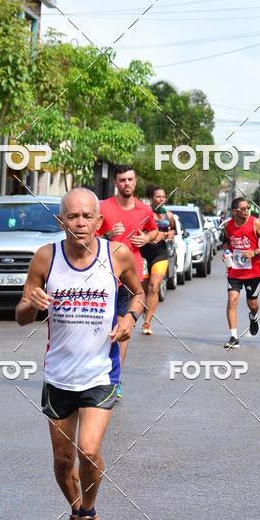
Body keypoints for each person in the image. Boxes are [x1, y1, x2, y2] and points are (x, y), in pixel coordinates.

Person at [16, 188, 143, 520]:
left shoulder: (116, 255)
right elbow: (21, 315)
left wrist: (130, 317)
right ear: (61, 221)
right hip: (58, 376)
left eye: (88, 216)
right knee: (61, 460)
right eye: (73, 216)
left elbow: (140, 293)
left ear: (99, 221)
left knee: (88, 450)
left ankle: (89, 515)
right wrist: (32, 305)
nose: (81, 223)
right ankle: (76, 511)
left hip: (100, 372)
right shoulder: (45, 258)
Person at [96, 166, 158, 392]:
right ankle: (97, 372)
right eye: (122, 180)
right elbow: (87, 238)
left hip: (131, 276)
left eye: (130, 179)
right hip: (105, 274)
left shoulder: (144, 210)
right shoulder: (103, 207)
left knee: (123, 327)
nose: (127, 184)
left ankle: (115, 380)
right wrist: (106, 236)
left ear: (136, 181)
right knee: (102, 326)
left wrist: (146, 238)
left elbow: (154, 232)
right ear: (115, 182)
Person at [222, 197, 260, 348]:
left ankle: (253, 316)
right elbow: (225, 241)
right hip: (234, 270)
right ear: (235, 211)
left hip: (253, 271)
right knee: (232, 300)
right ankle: (233, 337)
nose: (246, 211)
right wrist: (226, 252)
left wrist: (255, 252)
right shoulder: (229, 226)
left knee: (252, 303)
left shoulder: (255, 222)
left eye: (248, 208)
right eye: (243, 208)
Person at [140, 184, 177, 334]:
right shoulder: (144, 213)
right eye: (158, 196)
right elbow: (137, 231)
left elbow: (172, 230)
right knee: (143, 288)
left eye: (163, 196)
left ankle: (147, 323)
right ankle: (143, 307)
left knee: (154, 287)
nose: (161, 199)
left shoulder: (168, 215)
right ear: (151, 198)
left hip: (160, 254)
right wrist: (151, 236)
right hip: (142, 253)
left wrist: (170, 235)